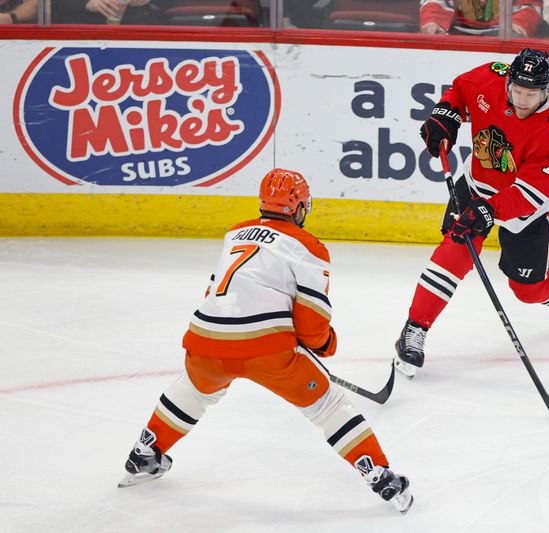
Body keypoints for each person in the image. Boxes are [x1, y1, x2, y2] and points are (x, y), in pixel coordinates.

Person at [119, 169, 413, 514]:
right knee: (328, 406)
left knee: (195, 388)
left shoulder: (235, 233)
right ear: (301, 207)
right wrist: (324, 344)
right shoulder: (309, 247)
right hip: (266, 350)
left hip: (205, 339)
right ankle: (380, 475)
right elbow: (311, 324)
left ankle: (145, 453)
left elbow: (215, 291)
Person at [395, 48, 549, 379]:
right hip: (476, 186)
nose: (521, 99)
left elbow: (532, 192)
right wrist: (445, 114)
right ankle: (414, 329)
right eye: (516, 90)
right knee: (452, 256)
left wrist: (490, 210)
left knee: (527, 290)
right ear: (508, 80)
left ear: (546, 90)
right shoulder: (492, 76)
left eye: (530, 93)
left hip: (522, 210)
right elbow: (460, 90)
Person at [419, 0, 543, 38]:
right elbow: (436, 2)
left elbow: (529, 5)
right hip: (454, 29)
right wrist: (434, 20)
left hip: (501, 33)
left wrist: (519, 23)